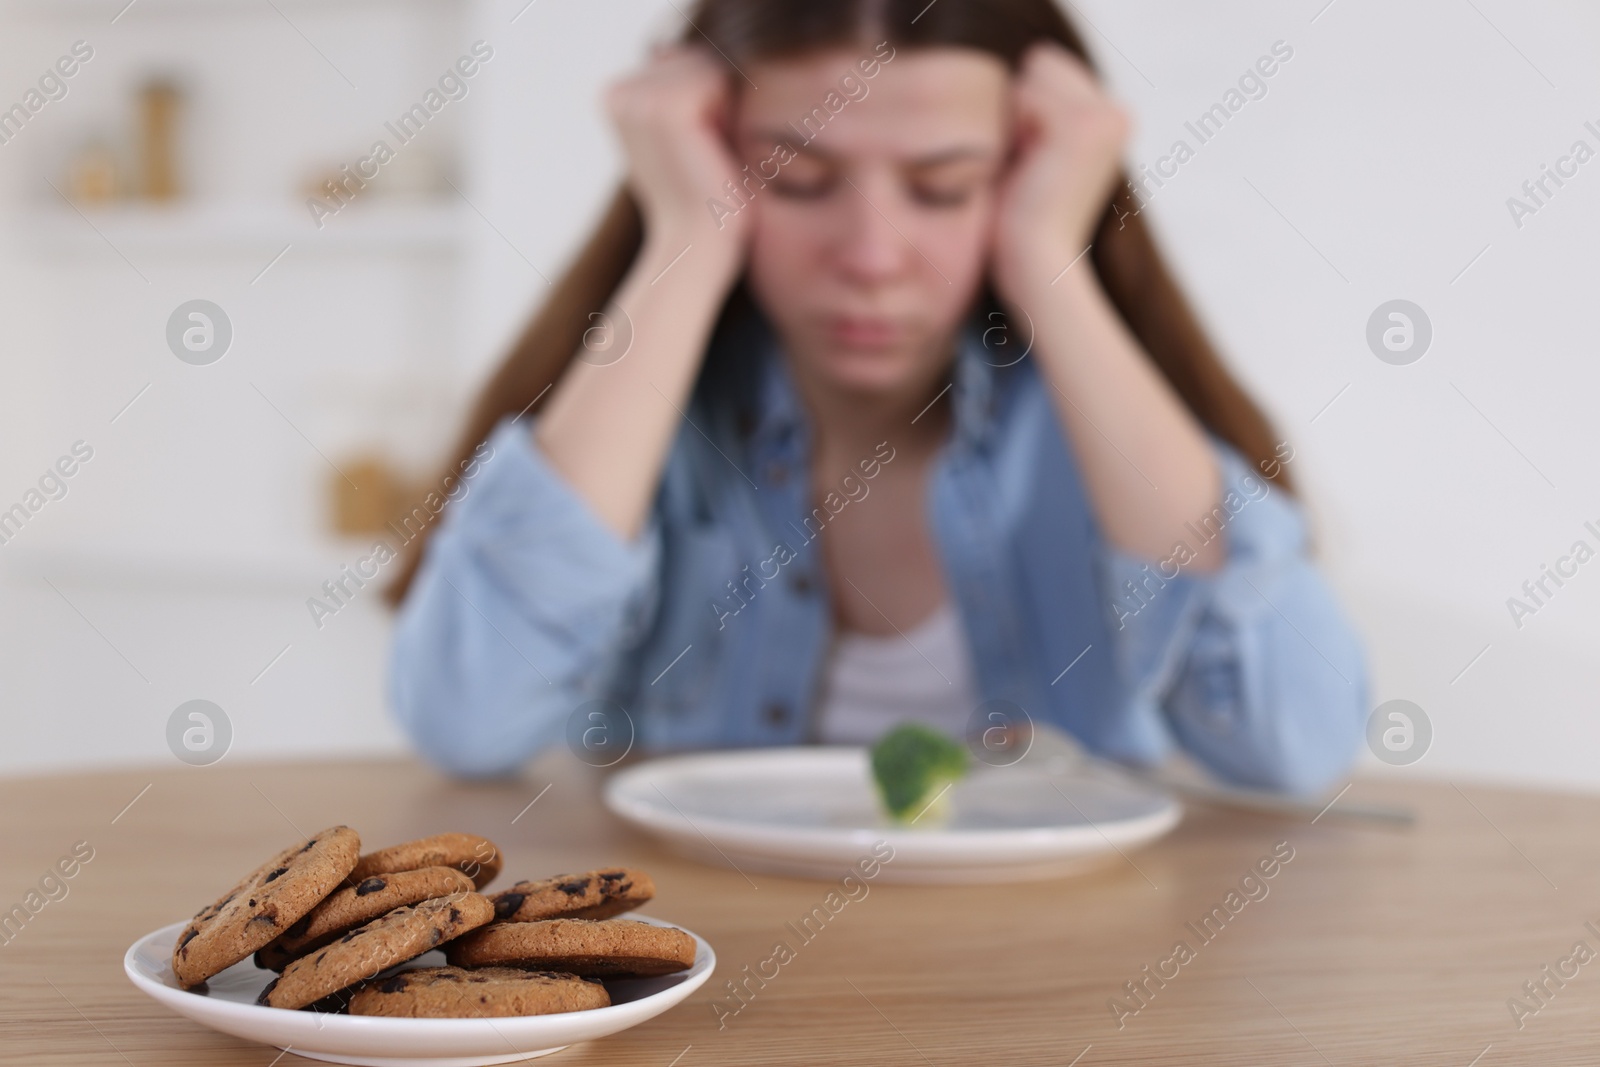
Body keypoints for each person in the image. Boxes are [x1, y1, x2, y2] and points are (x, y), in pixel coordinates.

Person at [381, 0, 1368, 793]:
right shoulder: (648, 424)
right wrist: (684, 233)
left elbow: (1296, 746)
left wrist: (1047, 265)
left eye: (942, 188)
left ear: (1027, 179)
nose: (869, 257)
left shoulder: (1091, 429)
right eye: (796, 180)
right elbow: (466, 721)